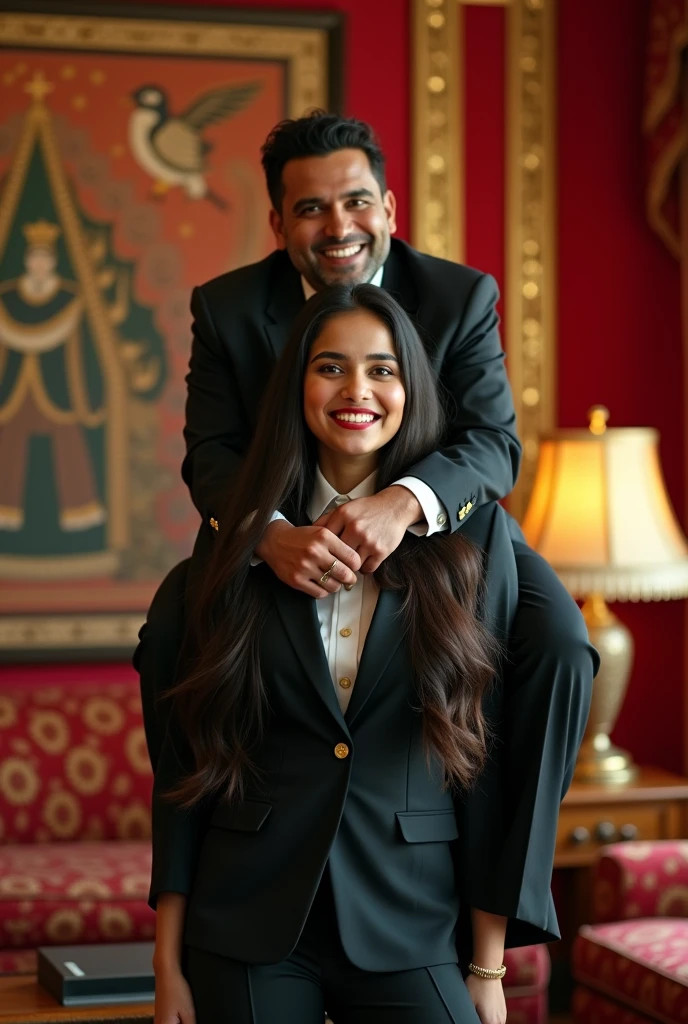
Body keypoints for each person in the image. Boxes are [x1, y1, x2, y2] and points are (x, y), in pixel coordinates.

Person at [151, 285, 592, 1024]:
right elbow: (188, 761)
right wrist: (167, 965)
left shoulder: (474, 538)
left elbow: (477, 758)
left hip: (410, 921)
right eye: (331, 367)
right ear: (297, 386)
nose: (357, 389)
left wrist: (485, 966)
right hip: (249, 924)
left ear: (411, 388)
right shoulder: (245, 535)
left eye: (383, 370)